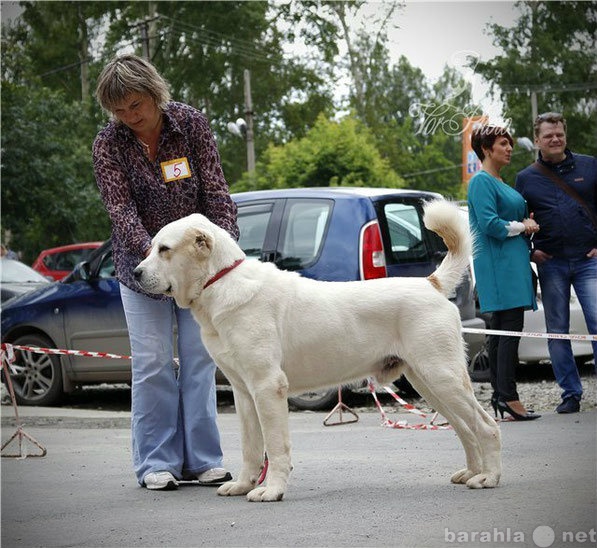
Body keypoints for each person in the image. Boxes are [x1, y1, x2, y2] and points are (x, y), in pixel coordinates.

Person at [93, 54, 239, 490]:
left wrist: (224, 250)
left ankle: (203, 459)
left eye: (135, 105)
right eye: (118, 110)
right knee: (154, 363)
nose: (128, 117)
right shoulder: (108, 144)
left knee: (199, 361)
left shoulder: (191, 124)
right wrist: (156, 258)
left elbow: (215, 190)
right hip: (141, 269)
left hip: (197, 272)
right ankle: (156, 463)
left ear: (155, 94)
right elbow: (121, 210)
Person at [515, 112, 597, 414]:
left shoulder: (590, 167)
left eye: (559, 133)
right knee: (557, 329)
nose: (555, 139)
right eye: (548, 135)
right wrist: (530, 251)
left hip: (589, 260)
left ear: (565, 135)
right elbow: (518, 220)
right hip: (552, 263)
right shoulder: (526, 178)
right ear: (537, 140)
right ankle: (570, 394)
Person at [467, 125, 541, 421]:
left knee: (502, 331)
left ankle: (503, 395)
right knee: (508, 330)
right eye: (503, 143)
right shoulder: (482, 182)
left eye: (510, 143)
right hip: (499, 265)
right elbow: (491, 225)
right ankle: (508, 396)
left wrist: (524, 223)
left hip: (510, 262)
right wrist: (525, 226)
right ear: (486, 149)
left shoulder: (498, 181)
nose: (509, 148)